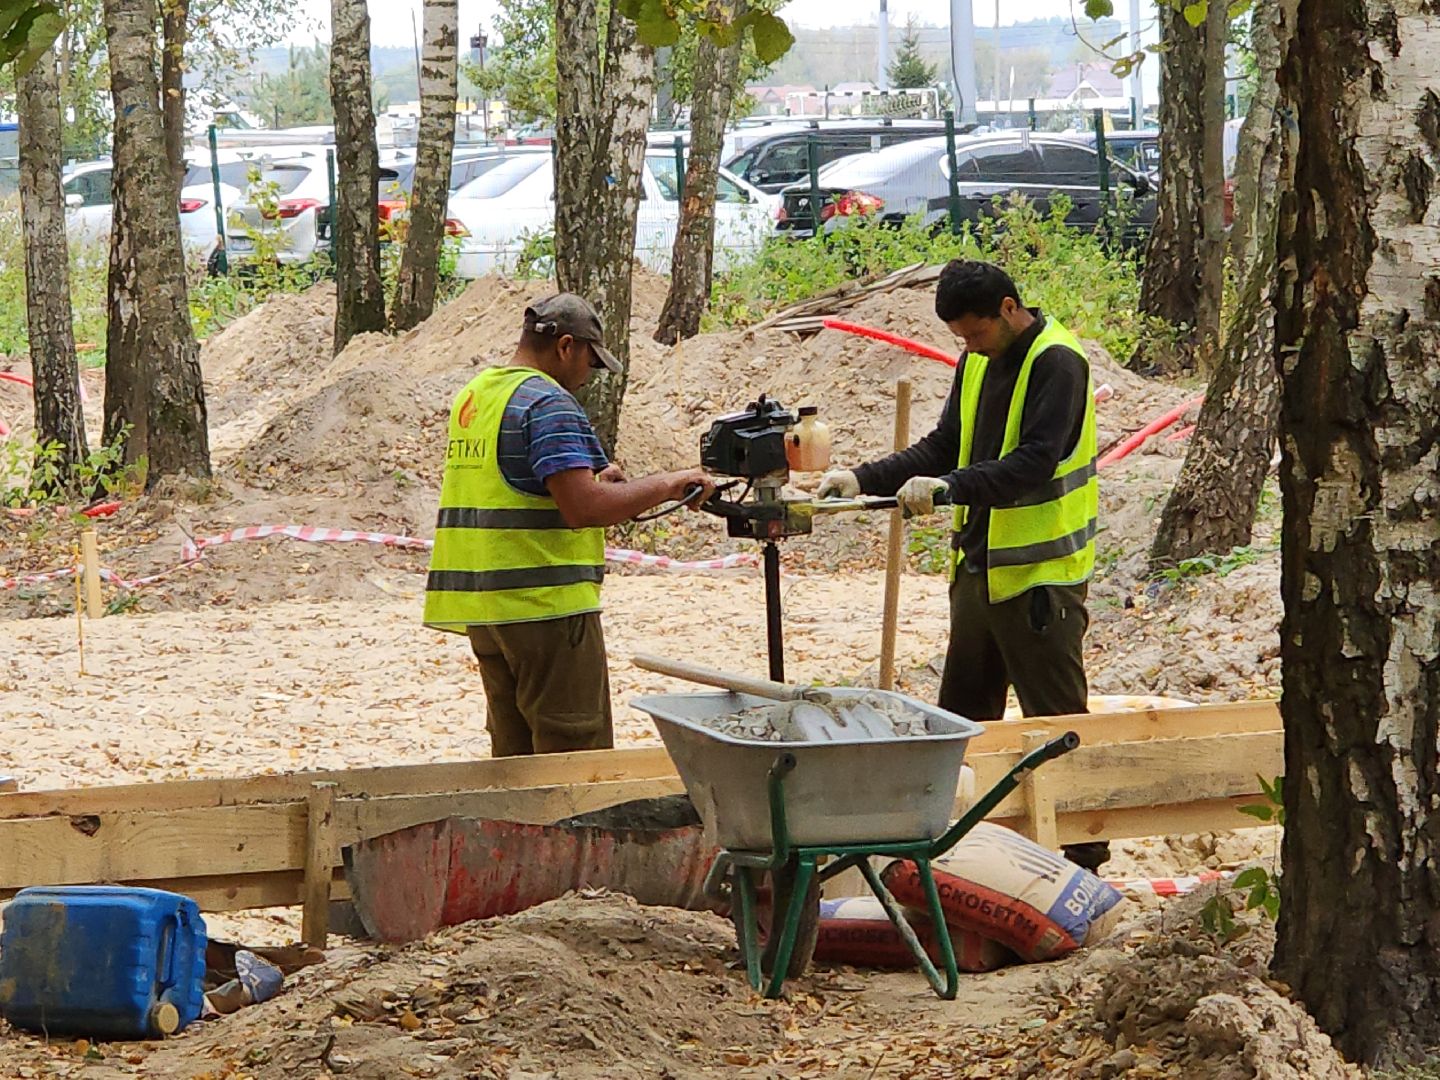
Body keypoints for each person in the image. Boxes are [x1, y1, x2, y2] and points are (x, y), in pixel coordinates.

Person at [818, 260, 1106, 871]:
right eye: (960, 338)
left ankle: (1084, 855)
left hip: (1039, 576)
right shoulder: (977, 361)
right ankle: (958, 850)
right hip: (979, 566)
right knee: (964, 719)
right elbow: (945, 443)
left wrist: (949, 488)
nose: (969, 347)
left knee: (1056, 723)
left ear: (1008, 308)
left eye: (975, 333)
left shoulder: (1057, 361)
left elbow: (1034, 461)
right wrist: (863, 478)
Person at [424, 293, 713, 758]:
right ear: (565, 347)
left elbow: (520, 484)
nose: (587, 377)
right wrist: (668, 483)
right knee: (574, 756)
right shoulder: (548, 402)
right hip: (546, 609)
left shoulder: (477, 395)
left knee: (513, 761)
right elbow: (584, 508)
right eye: (590, 362)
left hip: (487, 609)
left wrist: (602, 486)